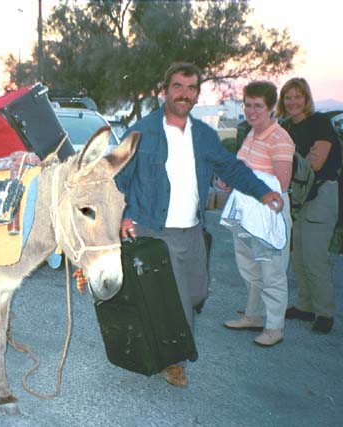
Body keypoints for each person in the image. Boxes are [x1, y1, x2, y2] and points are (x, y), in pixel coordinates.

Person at [114, 62, 283, 387]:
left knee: (196, 292)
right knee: (178, 301)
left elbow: (230, 168)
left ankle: (155, 329)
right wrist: (125, 214)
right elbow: (119, 178)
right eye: (178, 86)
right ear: (166, 91)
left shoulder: (203, 135)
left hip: (192, 231)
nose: (185, 94)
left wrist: (263, 192)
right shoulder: (140, 132)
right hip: (154, 230)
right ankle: (174, 362)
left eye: (191, 88)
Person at [222, 81, 294, 347]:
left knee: (272, 270)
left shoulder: (280, 139)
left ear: (271, 107)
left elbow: (281, 184)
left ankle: (275, 327)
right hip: (247, 213)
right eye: (248, 105)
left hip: (269, 214)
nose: (252, 111)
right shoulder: (251, 134)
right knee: (249, 266)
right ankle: (253, 316)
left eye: (258, 106)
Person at [278, 78, 342, 334]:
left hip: (321, 194)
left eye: (297, 97)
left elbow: (315, 163)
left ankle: (324, 312)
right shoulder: (286, 128)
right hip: (297, 196)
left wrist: (290, 162)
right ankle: (306, 306)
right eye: (288, 97)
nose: (293, 102)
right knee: (298, 254)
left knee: (315, 255)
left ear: (306, 98)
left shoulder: (320, 124)